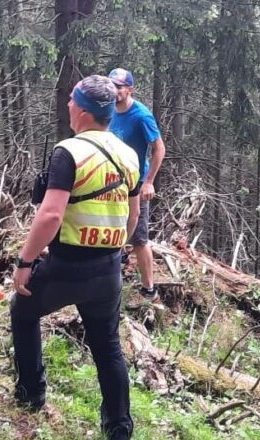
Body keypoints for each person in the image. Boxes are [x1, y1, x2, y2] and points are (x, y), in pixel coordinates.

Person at [10, 75, 140, 440]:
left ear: (82, 110)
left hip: (67, 266)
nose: (67, 104)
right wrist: (115, 247)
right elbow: (133, 215)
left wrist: (25, 262)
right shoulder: (128, 155)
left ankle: (30, 394)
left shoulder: (69, 152)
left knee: (24, 310)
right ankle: (118, 433)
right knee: (108, 348)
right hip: (108, 269)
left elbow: (50, 215)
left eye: (71, 99)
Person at [108, 68, 166, 300]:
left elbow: (159, 147)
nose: (115, 91)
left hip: (135, 182)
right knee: (111, 226)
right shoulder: (107, 110)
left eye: (119, 87)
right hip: (111, 182)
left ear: (130, 89)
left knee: (139, 238)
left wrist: (149, 182)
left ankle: (149, 288)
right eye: (112, 86)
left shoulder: (141, 115)